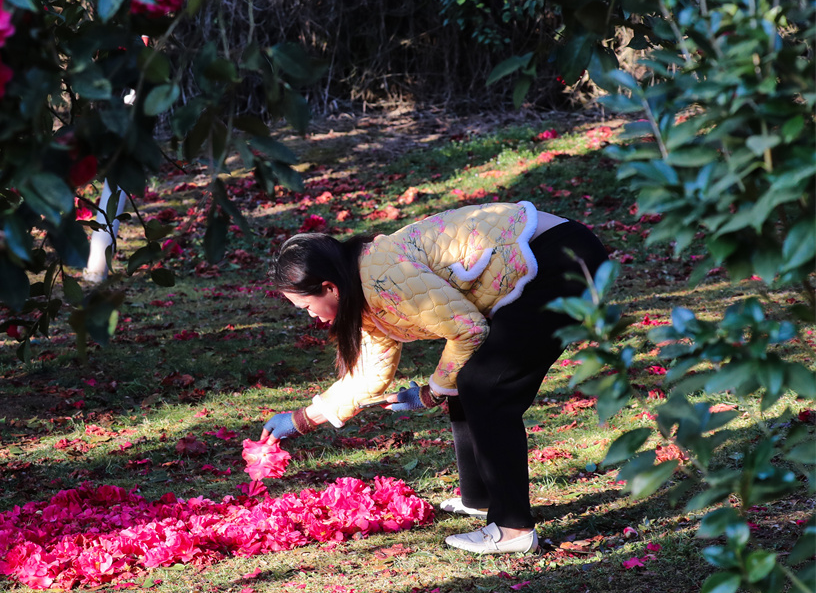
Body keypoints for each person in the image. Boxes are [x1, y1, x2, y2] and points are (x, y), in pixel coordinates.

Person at [260, 201, 608, 554]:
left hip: (559, 259)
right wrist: (302, 419)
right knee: (466, 378)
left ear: (328, 287)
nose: (313, 319)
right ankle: (481, 498)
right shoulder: (362, 286)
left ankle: (513, 528)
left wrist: (432, 392)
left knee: (484, 386)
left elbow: (468, 330)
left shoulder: (382, 277)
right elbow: (369, 373)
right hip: (542, 262)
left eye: (306, 307)